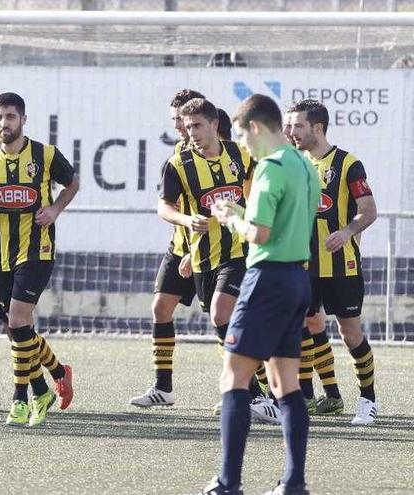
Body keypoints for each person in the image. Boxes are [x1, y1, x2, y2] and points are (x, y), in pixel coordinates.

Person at [199, 93, 319, 495]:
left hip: (266, 278)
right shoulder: (304, 164)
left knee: (234, 377)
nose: (243, 146)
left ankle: (228, 483)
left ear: (254, 128)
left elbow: (260, 233)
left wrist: (232, 218)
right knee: (287, 384)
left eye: (241, 136)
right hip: (297, 280)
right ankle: (294, 482)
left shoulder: (269, 168)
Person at [157, 97, 280, 424]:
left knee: (221, 313)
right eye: (186, 126)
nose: (191, 132)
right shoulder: (178, 165)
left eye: (197, 125)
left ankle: (255, 394)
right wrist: (186, 222)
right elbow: (164, 207)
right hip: (202, 258)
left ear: (214, 124)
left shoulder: (240, 154)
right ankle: (263, 394)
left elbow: (259, 190)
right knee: (225, 325)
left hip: (240, 252)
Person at [0, 92, 80, 427]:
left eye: (10, 117)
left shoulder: (44, 154)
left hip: (37, 250)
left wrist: (55, 209)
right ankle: (49, 379)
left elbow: (72, 183)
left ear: (23, 120)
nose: (3, 124)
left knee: (16, 321)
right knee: (21, 327)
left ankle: (20, 398)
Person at [287, 99, 379, 425]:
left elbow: (368, 210)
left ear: (318, 127)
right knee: (302, 325)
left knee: (349, 332)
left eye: (298, 125)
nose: (292, 131)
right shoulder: (294, 164)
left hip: (342, 265)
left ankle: (368, 398)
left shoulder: (348, 163)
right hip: (302, 265)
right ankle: (307, 397)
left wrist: (347, 230)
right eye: (290, 125)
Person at [129, 89, 203, 408]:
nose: (177, 126)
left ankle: (256, 392)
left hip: (214, 248)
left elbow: (224, 204)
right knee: (160, 307)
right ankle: (163, 387)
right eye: (174, 120)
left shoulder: (220, 152)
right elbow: (167, 205)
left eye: (182, 120)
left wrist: (198, 247)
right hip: (180, 246)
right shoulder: (178, 152)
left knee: (227, 318)